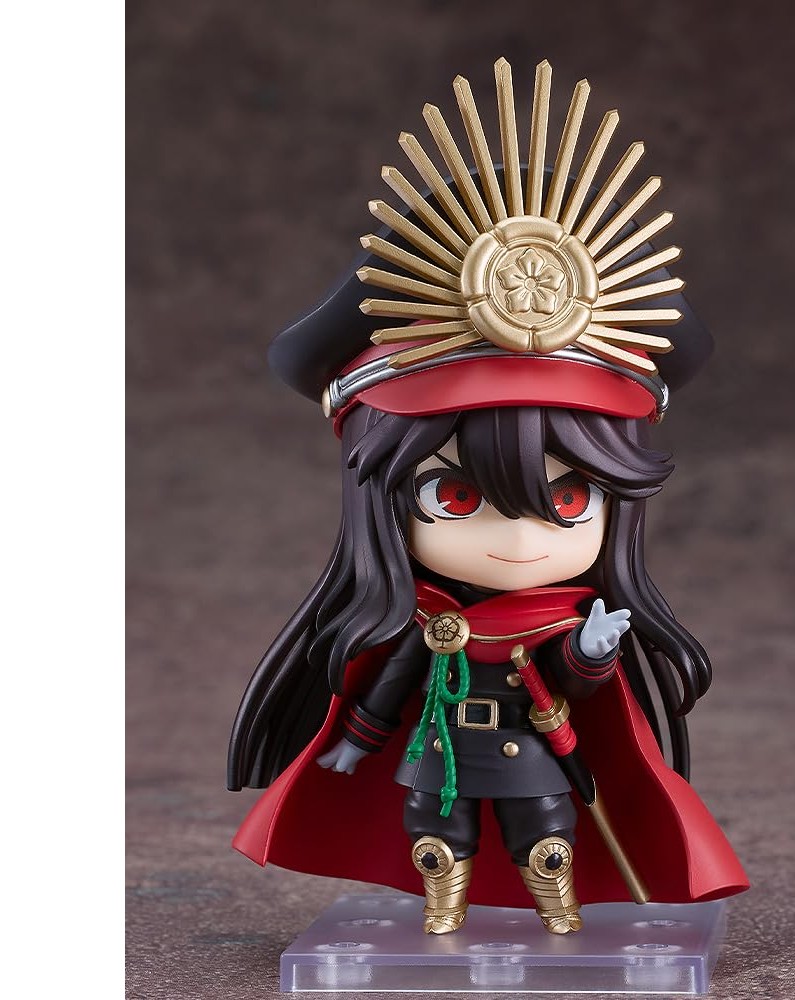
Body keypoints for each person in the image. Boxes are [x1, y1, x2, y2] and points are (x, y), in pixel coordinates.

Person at [227, 59, 749, 935]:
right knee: (439, 839)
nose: (520, 537)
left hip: (534, 754)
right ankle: (445, 904)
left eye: (570, 498)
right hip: (439, 755)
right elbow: (392, 683)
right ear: (382, 498)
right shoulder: (428, 623)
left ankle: (555, 902)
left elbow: (578, 682)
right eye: (458, 496)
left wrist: (589, 654)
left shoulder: (547, 618)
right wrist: (355, 741)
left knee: (546, 841)